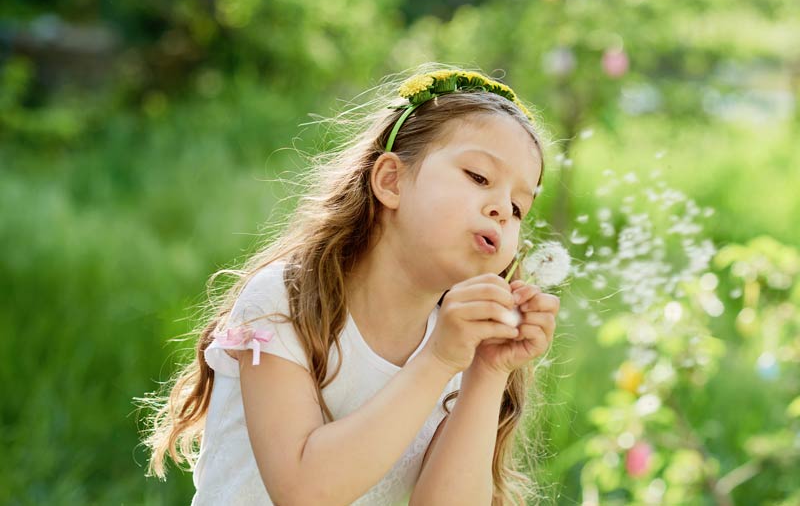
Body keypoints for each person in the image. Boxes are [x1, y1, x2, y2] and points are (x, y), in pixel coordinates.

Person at [140, 64, 561, 506]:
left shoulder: (464, 347)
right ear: (391, 181)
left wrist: (488, 372)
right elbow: (304, 492)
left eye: (518, 207)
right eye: (478, 177)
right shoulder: (285, 302)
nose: (500, 209)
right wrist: (437, 358)